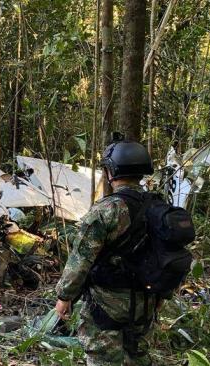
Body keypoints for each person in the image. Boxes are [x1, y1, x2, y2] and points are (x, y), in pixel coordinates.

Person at [54, 135, 157, 366]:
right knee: (138, 357)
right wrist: (162, 296)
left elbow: (80, 260)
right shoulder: (159, 207)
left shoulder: (106, 210)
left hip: (105, 304)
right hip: (146, 303)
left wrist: (64, 296)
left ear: (112, 172)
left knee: (103, 359)